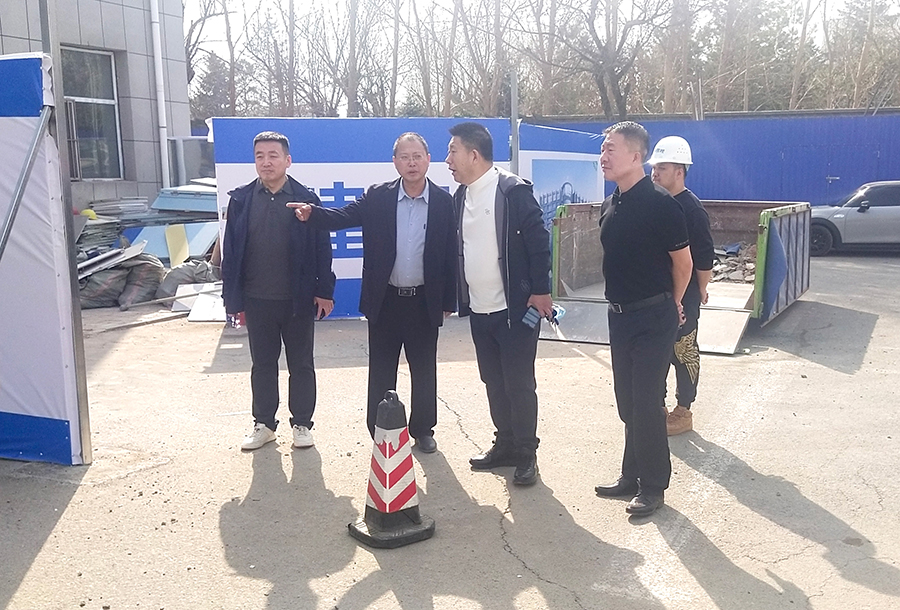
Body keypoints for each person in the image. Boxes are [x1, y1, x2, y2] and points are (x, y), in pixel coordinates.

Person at [291, 133, 457, 453]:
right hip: (386, 299)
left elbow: (450, 253)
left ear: (428, 159)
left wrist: (447, 300)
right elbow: (344, 216)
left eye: (417, 156)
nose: (411, 163)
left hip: (424, 300)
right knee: (381, 369)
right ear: (394, 162)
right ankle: (381, 430)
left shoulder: (443, 201)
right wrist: (313, 214)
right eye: (404, 157)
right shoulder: (378, 196)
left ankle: (423, 430)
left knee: (424, 370)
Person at [445, 121, 552, 486]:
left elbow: (539, 242)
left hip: (516, 309)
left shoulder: (512, 191)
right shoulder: (461, 196)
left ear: (474, 155)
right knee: (493, 379)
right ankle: (504, 444)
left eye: (453, 151)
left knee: (519, 383)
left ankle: (526, 453)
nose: (448, 160)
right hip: (480, 309)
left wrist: (541, 291)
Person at [593, 121, 693, 516]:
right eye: (603, 148)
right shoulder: (610, 203)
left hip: (654, 316)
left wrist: (674, 302)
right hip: (619, 316)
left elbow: (683, 264)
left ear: (636, 156)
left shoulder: (661, 204)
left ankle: (653, 486)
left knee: (647, 403)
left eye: (611, 149)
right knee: (627, 401)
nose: (603, 156)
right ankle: (630, 475)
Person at [221, 131, 335, 451]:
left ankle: (302, 424)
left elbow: (322, 248)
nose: (266, 162)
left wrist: (324, 291)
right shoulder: (242, 200)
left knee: (301, 364)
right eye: (260, 156)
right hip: (257, 298)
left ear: (288, 160)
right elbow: (232, 251)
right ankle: (264, 424)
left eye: (273, 155)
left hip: (297, 298)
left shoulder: (305, 199)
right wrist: (232, 299)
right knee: (262, 365)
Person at [648, 136, 715, 436]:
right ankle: (657, 407)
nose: (655, 173)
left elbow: (703, 258)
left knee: (683, 349)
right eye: (654, 167)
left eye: (661, 168)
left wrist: (700, 290)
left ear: (680, 171)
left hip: (684, 294)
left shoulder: (692, 209)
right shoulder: (653, 202)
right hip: (655, 293)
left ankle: (684, 409)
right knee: (657, 351)